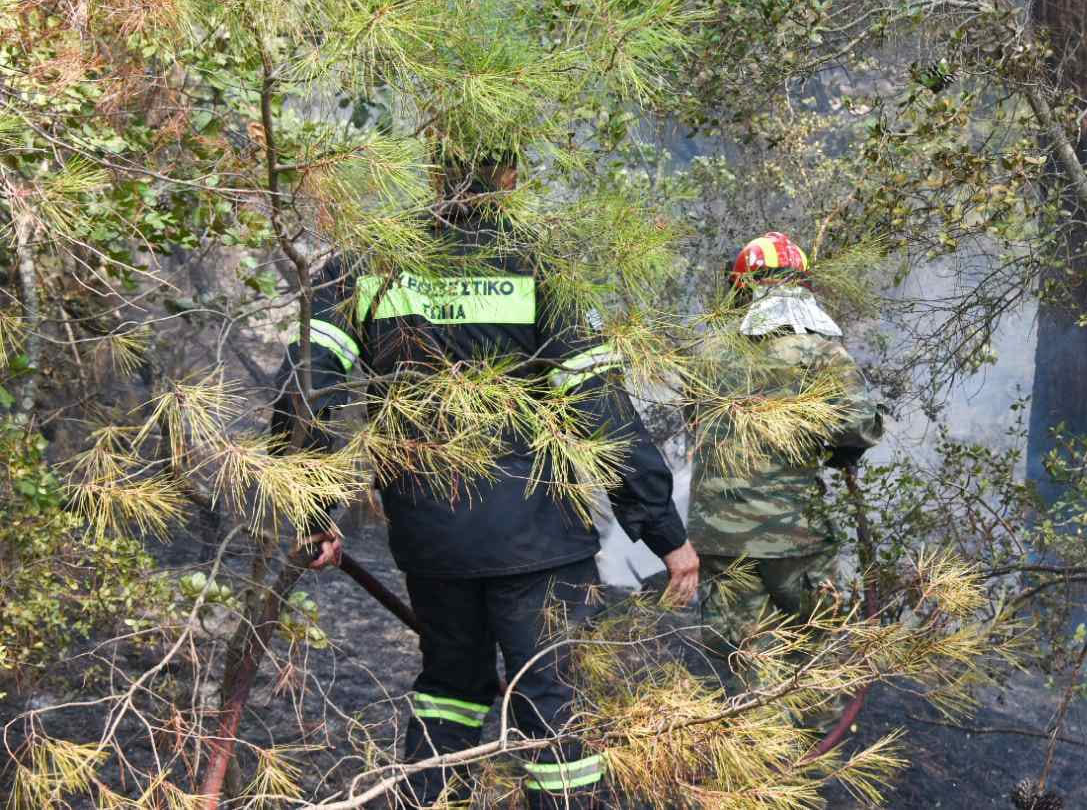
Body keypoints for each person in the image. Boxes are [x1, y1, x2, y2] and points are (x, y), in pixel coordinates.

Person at [272, 151, 699, 810]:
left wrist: (314, 512)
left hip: (432, 535)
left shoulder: (372, 262)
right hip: (539, 537)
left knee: (449, 689)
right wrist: (664, 532)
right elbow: (599, 408)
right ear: (510, 175)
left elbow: (308, 380)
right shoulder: (534, 266)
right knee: (551, 701)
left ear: (436, 170)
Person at [687, 232, 885, 691]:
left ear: (740, 289)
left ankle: (753, 755)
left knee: (742, 662)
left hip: (719, 536)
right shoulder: (818, 350)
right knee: (815, 658)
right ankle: (815, 755)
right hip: (793, 537)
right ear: (803, 287)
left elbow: (696, 422)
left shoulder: (709, 351)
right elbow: (862, 425)